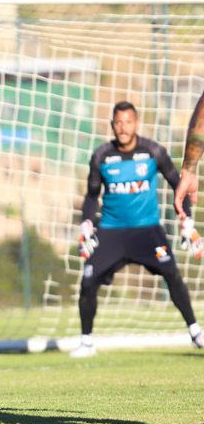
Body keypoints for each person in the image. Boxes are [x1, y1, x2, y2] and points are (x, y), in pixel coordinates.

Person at [72, 101, 203, 358]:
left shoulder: (153, 151)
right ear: (112, 125)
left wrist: (186, 220)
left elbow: (179, 184)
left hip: (147, 231)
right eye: (118, 122)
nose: (123, 127)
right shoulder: (101, 156)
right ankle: (86, 341)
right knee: (87, 281)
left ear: (136, 123)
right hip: (111, 231)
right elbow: (91, 196)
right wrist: (87, 223)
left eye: (127, 121)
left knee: (171, 272)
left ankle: (196, 332)